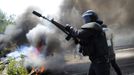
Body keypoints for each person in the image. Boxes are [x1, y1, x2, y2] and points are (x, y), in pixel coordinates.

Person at [65, 10, 110, 75]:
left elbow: (79, 34)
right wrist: (78, 41)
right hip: (95, 62)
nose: (86, 20)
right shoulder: (92, 30)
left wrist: (70, 28)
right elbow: (87, 42)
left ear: (92, 18)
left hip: (101, 63)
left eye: (87, 18)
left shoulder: (95, 26)